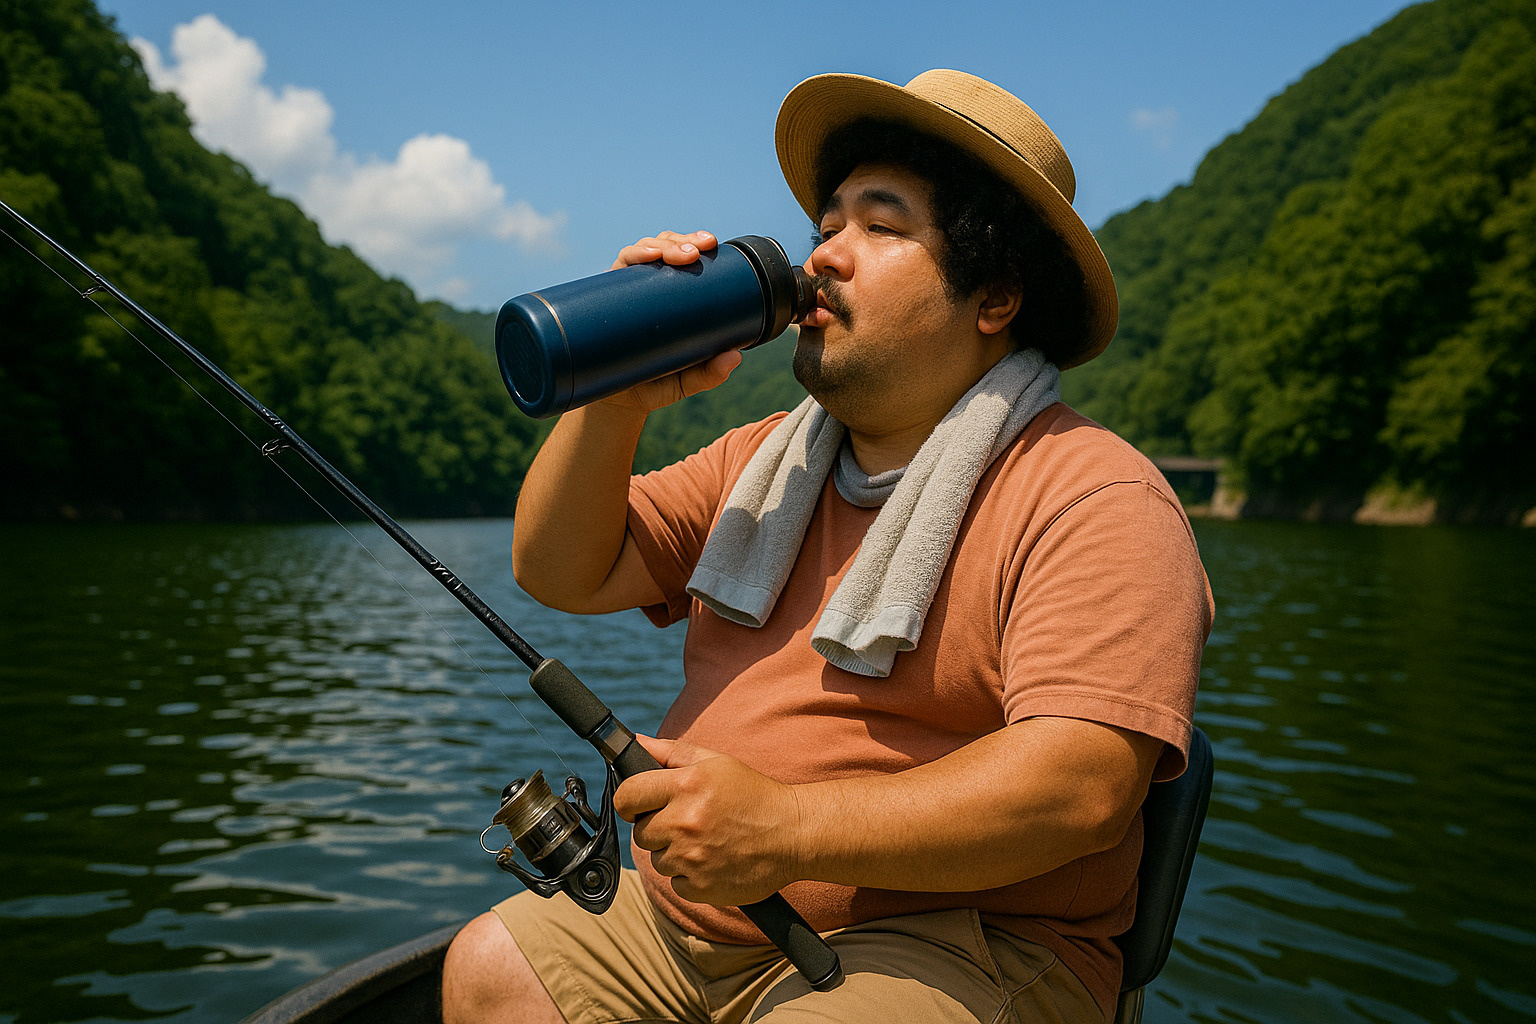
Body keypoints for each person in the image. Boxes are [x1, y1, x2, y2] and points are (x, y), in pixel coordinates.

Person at [442, 69, 1213, 1024]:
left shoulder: (1092, 493)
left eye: (880, 227)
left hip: (961, 942)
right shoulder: (765, 458)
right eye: (825, 228)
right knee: (493, 966)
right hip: (694, 922)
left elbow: (1082, 787)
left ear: (996, 297)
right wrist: (619, 397)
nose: (825, 259)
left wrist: (791, 827)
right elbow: (562, 568)